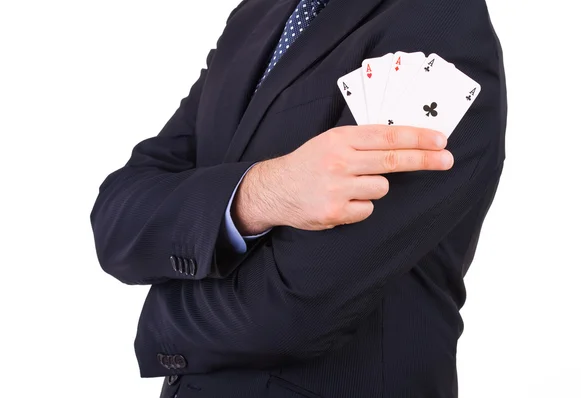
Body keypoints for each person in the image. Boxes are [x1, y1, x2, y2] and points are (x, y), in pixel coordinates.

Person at [90, 0, 506, 396]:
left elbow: (300, 305)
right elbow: (116, 217)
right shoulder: (257, 15)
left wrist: (158, 316)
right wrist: (260, 192)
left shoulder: (439, 23)